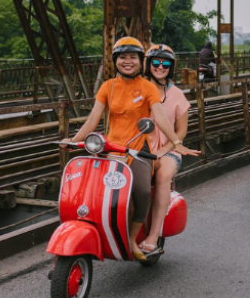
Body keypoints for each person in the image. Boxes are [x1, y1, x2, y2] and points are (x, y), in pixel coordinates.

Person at [61, 37, 200, 261]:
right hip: (111, 149)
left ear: (139, 61)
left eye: (133, 57)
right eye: (122, 57)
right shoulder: (108, 87)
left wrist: (175, 142)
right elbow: (92, 120)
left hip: (138, 150)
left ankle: (133, 238)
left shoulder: (147, 87)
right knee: (91, 188)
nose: (128, 61)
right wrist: (73, 140)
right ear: (115, 60)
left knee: (142, 191)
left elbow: (160, 118)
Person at [140, 43, 190, 255]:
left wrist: (162, 151)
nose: (160, 67)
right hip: (141, 148)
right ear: (148, 64)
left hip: (169, 151)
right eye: (156, 62)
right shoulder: (138, 89)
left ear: (171, 67)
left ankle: (153, 235)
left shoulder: (177, 95)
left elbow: (181, 132)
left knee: (162, 177)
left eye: (166, 64)